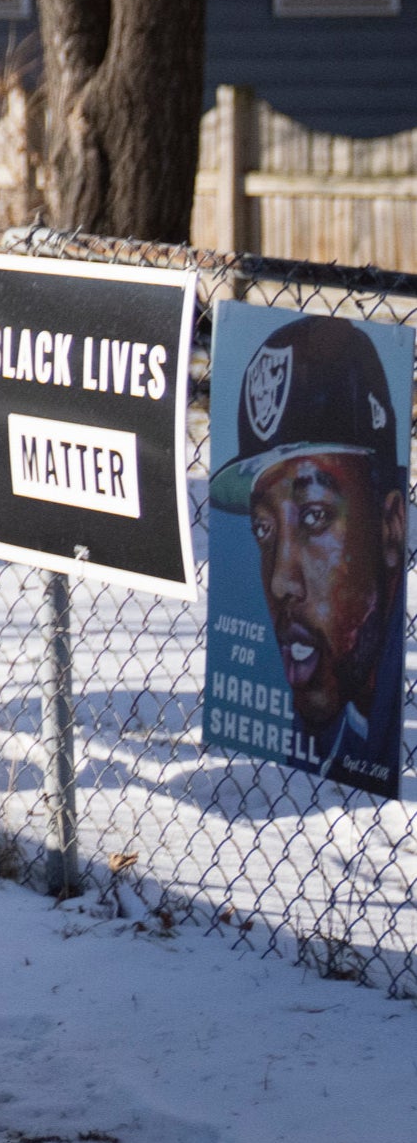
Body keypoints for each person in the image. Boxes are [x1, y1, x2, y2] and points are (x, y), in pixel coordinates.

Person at [214, 315, 406, 794]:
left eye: (315, 516)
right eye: (263, 527)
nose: (281, 581)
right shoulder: (316, 716)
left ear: (390, 529)